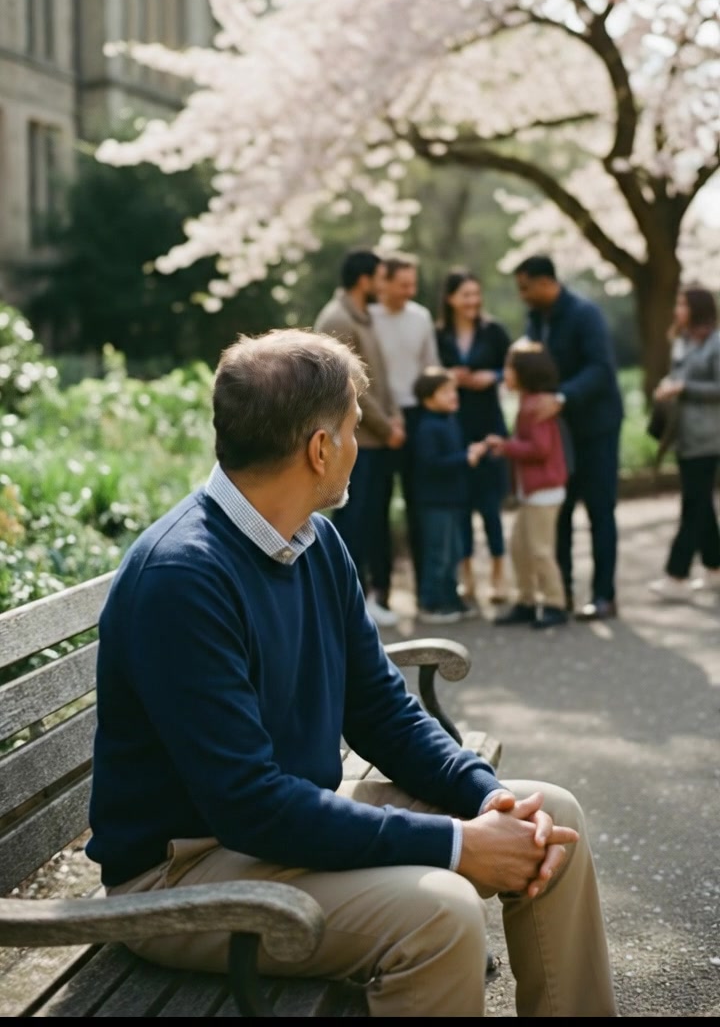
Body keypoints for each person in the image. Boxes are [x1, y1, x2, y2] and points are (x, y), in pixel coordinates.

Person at [86, 327, 617, 1018]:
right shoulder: (183, 577)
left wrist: (485, 801)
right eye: (354, 427)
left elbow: (381, 710)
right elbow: (249, 805)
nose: (359, 445)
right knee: (443, 914)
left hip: (277, 830)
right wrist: (458, 846)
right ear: (319, 448)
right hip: (180, 877)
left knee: (552, 817)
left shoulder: (314, 539)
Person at [514, 255, 624, 622]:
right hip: (558, 433)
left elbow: (601, 369)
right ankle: (560, 598)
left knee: (599, 511)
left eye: (526, 287)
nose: (523, 296)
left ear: (547, 283)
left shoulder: (585, 314)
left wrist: (561, 398)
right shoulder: (535, 319)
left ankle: (604, 596)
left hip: (595, 429)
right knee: (559, 513)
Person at [314, 247, 404, 627]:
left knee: (373, 522)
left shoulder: (361, 317)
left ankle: (370, 596)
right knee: (354, 522)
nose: (384, 285)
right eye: (382, 277)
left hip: (376, 439)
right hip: (358, 441)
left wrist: (393, 420)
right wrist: (387, 426)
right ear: (365, 279)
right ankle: (351, 601)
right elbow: (351, 387)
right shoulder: (338, 319)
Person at [435, 269, 511, 604]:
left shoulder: (494, 331)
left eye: (475, 294)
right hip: (454, 428)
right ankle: (467, 575)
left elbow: (512, 370)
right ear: (451, 298)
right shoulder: (438, 335)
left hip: (489, 424)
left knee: (490, 506)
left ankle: (498, 575)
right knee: (462, 505)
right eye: (465, 294)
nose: (472, 301)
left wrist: (489, 377)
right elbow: (428, 375)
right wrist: (449, 377)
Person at [485, 340, 569, 630]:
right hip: (533, 491)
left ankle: (556, 603)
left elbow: (540, 448)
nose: (504, 373)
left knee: (539, 550)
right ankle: (526, 600)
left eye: (508, 368)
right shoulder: (528, 402)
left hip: (543, 491)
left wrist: (506, 446)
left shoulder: (535, 406)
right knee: (520, 546)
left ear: (524, 373)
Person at [369, 252, 439, 602]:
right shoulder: (368, 318)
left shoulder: (421, 317)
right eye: (403, 284)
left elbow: (431, 367)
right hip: (379, 420)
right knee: (378, 506)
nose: (410, 290)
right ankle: (380, 590)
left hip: (417, 416)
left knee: (421, 503)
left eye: (414, 283)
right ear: (384, 282)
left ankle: (428, 586)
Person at [648, 284, 720, 600]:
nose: (676, 309)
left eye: (682, 304)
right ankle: (715, 567)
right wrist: (668, 387)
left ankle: (676, 574)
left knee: (693, 504)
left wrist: (682, 388)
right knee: (701, 504)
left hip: (709, 436)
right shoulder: (683, 341)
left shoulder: (716, 343)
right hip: (684, 434)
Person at [412, 366, 486, 623]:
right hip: (435, 502)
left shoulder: (450, 421)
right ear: (428, 398)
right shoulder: (427, 428)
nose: (453, 396)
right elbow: (431, 464)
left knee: (454, 552)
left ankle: (450, 599)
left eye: (454, 390)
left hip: (454, 500)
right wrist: (465, 457)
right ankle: (430, 604)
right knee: (438, 554)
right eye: (445, 391)